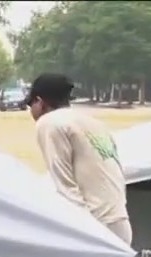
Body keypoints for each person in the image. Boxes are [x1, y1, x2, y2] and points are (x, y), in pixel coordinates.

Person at [26, 73, 133, 245]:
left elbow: (65, 186)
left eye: (30, 104)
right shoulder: (94, 123)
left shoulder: (49, 123)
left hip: (94, 227)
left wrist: (81, 230)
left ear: (39, 101)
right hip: (120, 224)